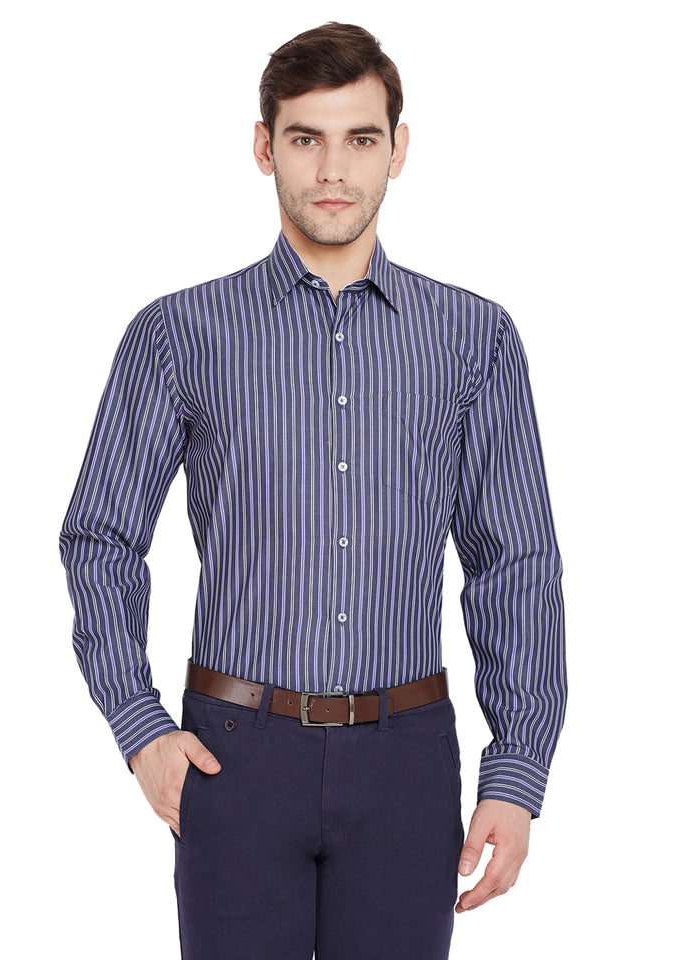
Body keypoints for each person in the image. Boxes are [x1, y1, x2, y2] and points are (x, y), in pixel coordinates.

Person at [59, 21, 566, 960]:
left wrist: (517, 769)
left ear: (398, 149)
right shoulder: (180, 334)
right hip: (234, 755)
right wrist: (139, 727)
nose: (333, 169)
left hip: (408, 757)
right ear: (265, 147)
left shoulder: (474, 340)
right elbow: (101, 537)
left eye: (360, 138)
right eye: (306, 138)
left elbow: (515, 561)